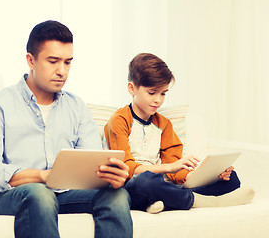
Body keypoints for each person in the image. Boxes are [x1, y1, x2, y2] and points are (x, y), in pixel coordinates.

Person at [0, 20, 133, 238]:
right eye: (53, 61)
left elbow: (91, 164)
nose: (62, 71)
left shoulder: (77, 107)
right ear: (31, 60)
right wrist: (42, 176)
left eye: (68, 62)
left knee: (117, 195)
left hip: (62, 195)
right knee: (39, 193)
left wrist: (111, 176)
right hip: (7, 197)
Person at [104, 53, 254, 214]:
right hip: (133, 185)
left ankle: (164, 202)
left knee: (232, 179)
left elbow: (177, 170)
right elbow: (127, 168)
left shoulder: (164, 124)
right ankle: (203, 201)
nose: (158, 100)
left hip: (163, 185)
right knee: (146, 180)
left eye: (163, 93)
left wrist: (207, 175)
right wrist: (169, 167)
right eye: (152, 93)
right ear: (131, 88)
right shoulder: (119, 120)